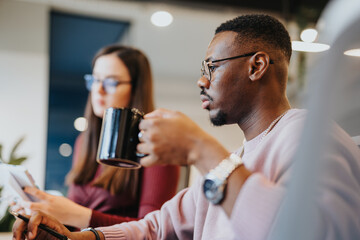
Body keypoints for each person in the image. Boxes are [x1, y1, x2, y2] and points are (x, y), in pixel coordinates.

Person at [13, 14, 360, 240]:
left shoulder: (306, 134)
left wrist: (200, 149)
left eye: (212, 67)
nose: (201, 80)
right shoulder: (237, 158)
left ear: (256, 66)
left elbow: (320, 232)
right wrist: (73, 237)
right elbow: (155, 228)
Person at [12, 45, 180, 229]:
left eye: (111, 82)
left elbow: (153, 230)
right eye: (95, 80)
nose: (98, 90)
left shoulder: (157, 145)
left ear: (136, 88)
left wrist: (78, 215)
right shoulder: (83, 142)